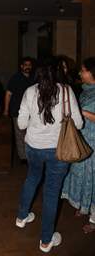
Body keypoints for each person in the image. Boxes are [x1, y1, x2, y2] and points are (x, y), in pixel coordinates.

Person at [15, 59, 83, 253]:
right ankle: (46, 241)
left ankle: (21, 217)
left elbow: (21, 124)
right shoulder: (66, 91)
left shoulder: (29, 92)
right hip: (58, 150)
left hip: (33, 148)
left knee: (32, 179)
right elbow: (78, 124)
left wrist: (36, 126)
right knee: (52, 192)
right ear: (56, 73)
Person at [62, 57, 95, 234]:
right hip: (82, 140)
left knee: (93, 179)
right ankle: (84, 207)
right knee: (82, 175)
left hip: (94, 142)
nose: (80, 73)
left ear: (92, 73)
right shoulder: (84, 91)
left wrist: (80, 112)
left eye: (83, 70)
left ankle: (94, 218)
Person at [4, 57, 34, 162]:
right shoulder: (15, 78)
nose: (27, 67)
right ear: (21, 66)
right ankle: (23, 157)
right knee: (20, 135)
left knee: (30, 134)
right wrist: (6, 110)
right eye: (25, 65)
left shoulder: (34, 78)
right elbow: (8, 94)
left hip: (32, 112)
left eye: (29, 65)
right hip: (17, 111)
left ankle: (29, 155)